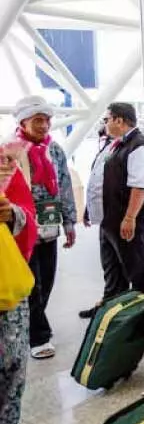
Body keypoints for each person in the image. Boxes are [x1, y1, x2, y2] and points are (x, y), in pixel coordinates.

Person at [13, 95, 77, 360]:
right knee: (32, 283)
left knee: (47, 280)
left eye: (47, 120)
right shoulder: (10, 150)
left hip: (49, 224)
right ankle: (38, 336)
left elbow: (64, 186)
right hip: (21, 227)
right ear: (23, 121)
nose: (44, 125)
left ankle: (32, 324)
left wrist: (70, 221)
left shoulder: (55, 150)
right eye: (38, 120)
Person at [79, 102, 144, 319]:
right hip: (107, 219)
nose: (105, 123)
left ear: (119, 120)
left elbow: (139, 185)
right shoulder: (115, 144)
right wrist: (89, 209)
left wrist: (129, 218)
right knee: (111, 268)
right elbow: (100, 177)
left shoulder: (137, 144)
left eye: (107, 119)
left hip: (123, 220)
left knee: (135, 267)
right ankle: (109, 309)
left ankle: (142, 314)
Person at [0, 149, 37, 424]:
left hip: (8, 286)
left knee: (13, 365)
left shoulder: (4, 162)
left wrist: (12, 213)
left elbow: (26, 213)